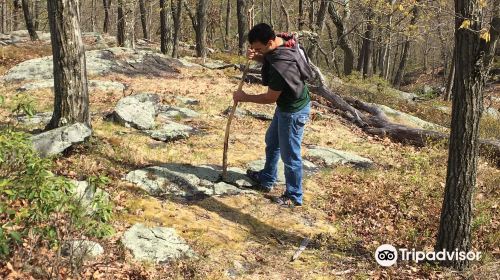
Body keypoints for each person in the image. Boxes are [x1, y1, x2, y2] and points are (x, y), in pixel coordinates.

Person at [233, 23, 313, 207]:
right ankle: (267, 177)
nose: (255, 50)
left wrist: (244, 97)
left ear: (270, 42)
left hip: (293, 111)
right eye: (253, 48)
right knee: (272, 141)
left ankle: (294, 196)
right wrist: (258, 56)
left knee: (290, 155)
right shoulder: (283, 41)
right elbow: (269, 56)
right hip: (286, 105)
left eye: (258, 48)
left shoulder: (281, 67)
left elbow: (270, 97)